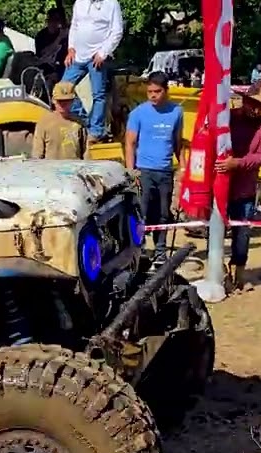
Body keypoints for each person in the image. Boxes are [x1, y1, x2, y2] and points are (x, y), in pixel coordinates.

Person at [219, 84, 261, 291]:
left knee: (241, 231)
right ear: (245, 100)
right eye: (254, 103)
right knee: (215, 228)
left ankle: (239, 274)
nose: (256, 108)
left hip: (244, 187)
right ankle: (218, 270)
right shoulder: (227, 118)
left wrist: (237, 163)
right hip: (220, 184)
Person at [124, 72, 183, 264]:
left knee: (163, 213)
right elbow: (130, 143)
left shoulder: (176, 112)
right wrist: (131, 171)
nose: (153, 95)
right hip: (144, 171)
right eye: (149, 91)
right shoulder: (138, 113)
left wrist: (183, 168)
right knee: (141, 212)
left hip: (165, 171)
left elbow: (177, 142)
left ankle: (160, 251)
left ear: (166, 90)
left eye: (157, 91)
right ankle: (138, 250)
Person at [63, 0, 123, 142]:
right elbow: (74, 26)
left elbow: (117, 31)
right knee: (63, 88)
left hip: (97, 56)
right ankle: (84, 119)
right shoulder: (79, 2)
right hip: (78, 55)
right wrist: (71, 48)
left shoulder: (111, 3)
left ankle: (96, 130)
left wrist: (103, 52)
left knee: (98, 94)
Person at [32, 81, 87, 160]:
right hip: (51, 170)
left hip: (74, 169)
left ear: (72, 101)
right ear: (53, 100)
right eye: (59, 101)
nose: (63, 104)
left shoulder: (79, 123)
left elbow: (85, 153)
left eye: (67, 101)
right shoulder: (44, 123)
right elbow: (37, 155)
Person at [33, 8, 70, 80]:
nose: (54, 23)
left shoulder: (65, 35)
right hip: (44, 66)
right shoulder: (41, 36)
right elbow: (44, 54)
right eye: (52, 20)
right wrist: (58, 39)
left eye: (57, 20)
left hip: (61, 68)